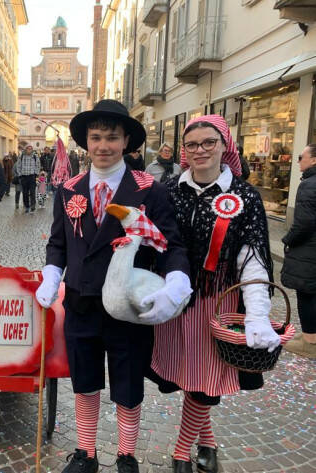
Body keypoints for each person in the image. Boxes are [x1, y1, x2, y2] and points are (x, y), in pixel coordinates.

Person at [37, 100, 191, 473]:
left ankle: (125, 454)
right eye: (96, 138)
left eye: (111, 137)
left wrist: (177, 280)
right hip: (81, 303)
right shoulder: (68, 189)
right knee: (85, 382)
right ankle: (86, 452)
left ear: (126, 142)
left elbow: (171, 243)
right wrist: (51, 274)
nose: (103, 145)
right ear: (85, 144)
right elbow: (58, 242)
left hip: (126, 306)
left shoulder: (148, 189)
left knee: (127, 385)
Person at [149, 115, 280, 473]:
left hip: (216, 301)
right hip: (177, 301)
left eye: (209, 142)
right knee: (191, 377)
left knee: (204, 381)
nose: (200, 150)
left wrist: (256, 313)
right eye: (192, 145)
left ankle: (180, 453)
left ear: (225, 146)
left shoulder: (244, 196)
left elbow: (253, 260)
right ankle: (206, 442)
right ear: (184, 151)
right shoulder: (171, 189)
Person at [281, 144, 316, 359]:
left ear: (313, 160)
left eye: (301, 156)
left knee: (307, 293)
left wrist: (288, 240)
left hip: (309, 250)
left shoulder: (309, 185)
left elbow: (304, 223)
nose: (298, 161)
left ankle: (309, 341)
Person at [17, 144, 39, 213]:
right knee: (25, 193)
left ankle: (33, 205)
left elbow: (38, 165)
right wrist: (20, 175)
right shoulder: (21, 156)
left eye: (30, 149)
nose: (29, 150)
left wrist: (36, 174)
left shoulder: (35, 156)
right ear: (26, 149)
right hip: (24, 177)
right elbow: (18, 166)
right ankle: (26, 206)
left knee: (32, 192)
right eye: (28, 148)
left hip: (32, 177)